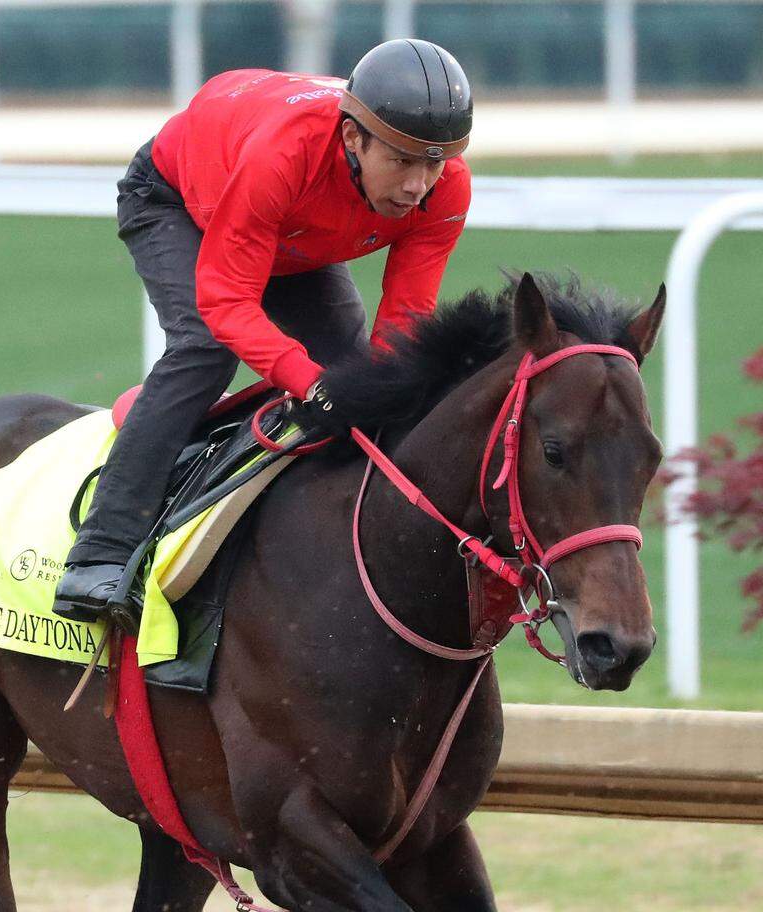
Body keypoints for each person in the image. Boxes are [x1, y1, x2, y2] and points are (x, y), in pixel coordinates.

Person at [52, 39, 473, 629]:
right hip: (179, 201)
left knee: (358, 387)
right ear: (353, 138)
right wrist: (307, 381)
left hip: (293, 233)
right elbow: (227, 302)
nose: (417, 186)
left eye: (433, 163)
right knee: (205, 347)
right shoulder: (286, 153)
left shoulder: (445, 187)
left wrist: (362, 389)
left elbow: (404, 324)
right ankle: (100, 552)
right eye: (401, 161)